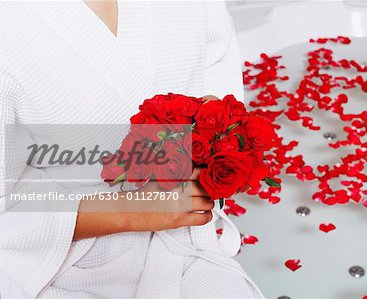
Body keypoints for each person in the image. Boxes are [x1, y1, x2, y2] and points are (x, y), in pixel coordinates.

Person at [0, 1, 264, 298]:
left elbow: (219, 85)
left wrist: (214, 137)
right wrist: (131, 209)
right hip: (56, 266)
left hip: (184, 245)